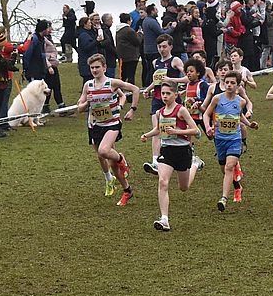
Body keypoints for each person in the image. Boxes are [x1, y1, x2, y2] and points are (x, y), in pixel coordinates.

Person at [76, 54, 140, 205]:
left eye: (97, 67)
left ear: (104, 68)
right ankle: (127, 190)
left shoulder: (112, 83)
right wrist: (86, 103)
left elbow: (135, 89)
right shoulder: (88, 85)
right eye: (92, 68)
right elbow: (79, 108)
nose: (94, 70)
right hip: (97, 125)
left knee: (103, 151)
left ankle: (121, 159)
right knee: (112, 164)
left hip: (112, 124)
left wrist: (132, 109)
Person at [140, 80, 203, 231]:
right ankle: (164, 219)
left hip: (182, 151)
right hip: (167, 150)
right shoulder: (160, 112)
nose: (165, 96)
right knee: (163, 182)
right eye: (163, 93)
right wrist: (146, 135)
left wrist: (177, 132)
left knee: (184, 187)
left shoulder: (181, 110)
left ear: (175, 94)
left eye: (168, 93)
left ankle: (195, 164)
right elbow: (158, 129)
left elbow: (196, 131)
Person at [204, 70, 258, 211]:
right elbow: (206, 114)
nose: (229, 85)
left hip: (235, 139)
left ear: (238, 85)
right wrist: (208, 127)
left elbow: (239, 116)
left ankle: (223, 198)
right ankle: (236, 185)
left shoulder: (241, 101)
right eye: (227, 82)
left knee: (229, 167)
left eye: (232, 83)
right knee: (224, 169)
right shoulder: (217, 99)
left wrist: (249, 124)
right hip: (220, 139)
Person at [142, 34, 186, 174]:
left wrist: (172, 80)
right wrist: (148, 89)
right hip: (157, 99)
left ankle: (188, 153)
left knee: (177, 129)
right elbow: (156, 81)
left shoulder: (175, 60)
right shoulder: (155, 62)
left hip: (173, 100)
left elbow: (187, 77)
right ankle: (155, 161)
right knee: (157, 129)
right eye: (159, 47)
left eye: (164, 46)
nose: (162, 49)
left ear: (171, 47)